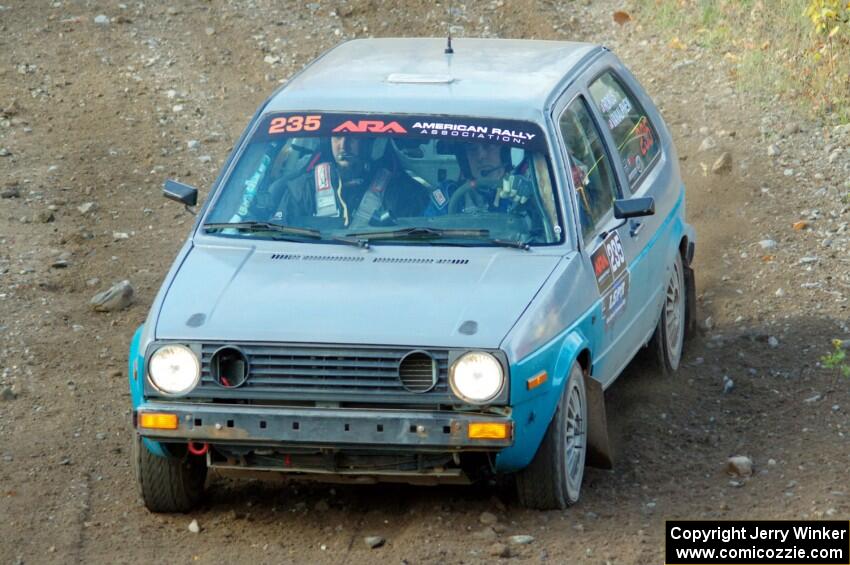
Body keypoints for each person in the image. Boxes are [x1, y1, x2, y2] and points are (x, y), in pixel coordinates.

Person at [273, 136, 426, 228]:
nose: (343, 146)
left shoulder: (400, 190)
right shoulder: (303, 187)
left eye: (353, 137)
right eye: (337, 137)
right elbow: (278, 233)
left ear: (370, 144)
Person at [424, 142, 535, 216]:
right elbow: (426, 235)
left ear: (505, 153)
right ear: (464, 159)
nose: (481, 156)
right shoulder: (449, 194)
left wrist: (532, 195)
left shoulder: (520, 190)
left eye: (489, 145)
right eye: (472, 149)